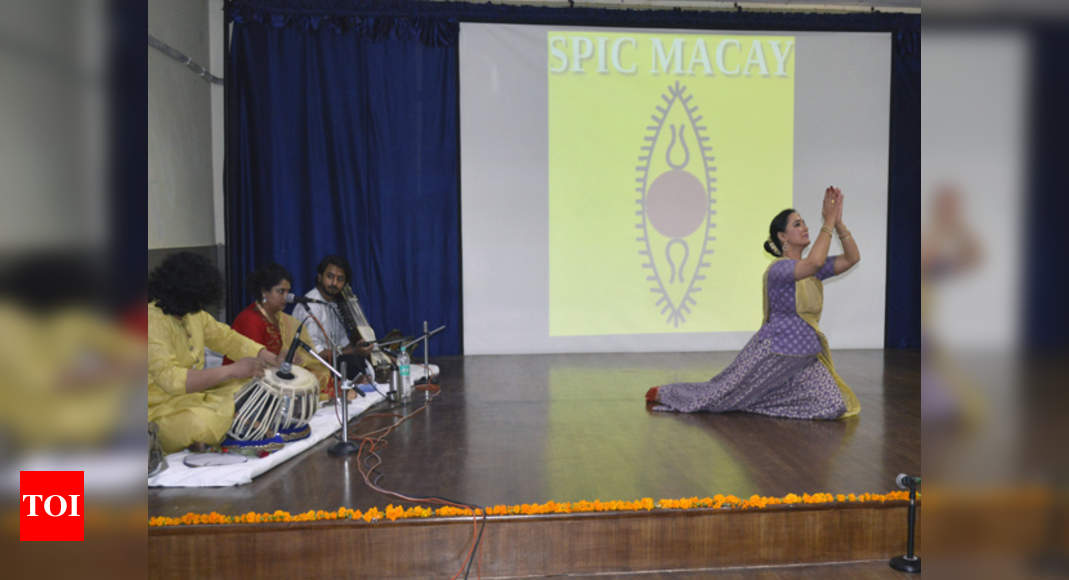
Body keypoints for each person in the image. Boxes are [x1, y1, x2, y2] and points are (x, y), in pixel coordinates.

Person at [646, 186, 861, 419]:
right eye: (797, 224)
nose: (805, 227)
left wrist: (838, 223)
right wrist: (827, 222)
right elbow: (815, 262)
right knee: (721, 395)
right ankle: (666, 394)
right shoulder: (780, 269)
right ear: (782, 237)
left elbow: (852, 258)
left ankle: (756, 401)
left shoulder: (812, 271)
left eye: (803, 222)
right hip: (777, 352)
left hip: (806, 358)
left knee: (832, 405)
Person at [147, 252, 279, 453]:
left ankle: (219, 432)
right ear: (178, 293)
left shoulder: (192, 313)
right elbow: (171, 379)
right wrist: (232, 370)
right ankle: (219, 431)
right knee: (198, 422)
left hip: (194, 399)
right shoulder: (150, 320)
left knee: (254, 386)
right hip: (156, 412)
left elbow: (226, 338)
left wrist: (267, 356)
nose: (197, 309)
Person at [227, 263, 337, 401]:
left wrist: (293, 361)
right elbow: (253, 364)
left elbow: (299, 359)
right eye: (280, 291)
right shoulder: (249, 319)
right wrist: (283, 361)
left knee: (316, 378)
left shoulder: (283, 320)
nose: (286, 297)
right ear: (264, 292)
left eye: (288, 292)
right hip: (248, 385)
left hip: (276, 378)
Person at [291, 255, 373, 379]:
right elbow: (317, 356)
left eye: (340, 279)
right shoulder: (309, 306)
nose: (334, 283)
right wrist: (354, 351)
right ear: (319, 277)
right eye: (330, 277)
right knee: (352, 363)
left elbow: (343, 346)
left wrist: (361, 346)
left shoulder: (334, 305)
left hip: (332, 364)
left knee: (359, 360)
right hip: (311, 367)